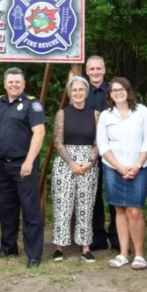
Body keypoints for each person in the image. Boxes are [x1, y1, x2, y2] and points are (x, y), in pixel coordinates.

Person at [0, 68, 46, 268]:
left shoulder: (32, 104)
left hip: (24, 164)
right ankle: (8, 247)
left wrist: (29, 161)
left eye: (17, 82)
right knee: (7, 209)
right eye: (10, 82)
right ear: (5, 84)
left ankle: (34, 254)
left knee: (30, 210)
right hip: (3, 165)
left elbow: (39, 133)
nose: (14, 85)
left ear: (23, 84)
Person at [96, 78, 147, 271]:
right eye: (114, 91)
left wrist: (137, 165)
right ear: (110, 94)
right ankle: (123, 253)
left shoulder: (142, 112)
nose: (118, 93)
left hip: (139, 168)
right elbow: (103, 145)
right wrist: (119, 167)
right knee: (119, 211)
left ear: (128, 91)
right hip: (113, 168)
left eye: (121, 89)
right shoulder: (106, 116)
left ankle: (139, 255)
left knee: (134, 211)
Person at [51, 76, 100, 263]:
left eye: (81, 89)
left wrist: (90, 161)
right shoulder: (62, 114)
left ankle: (85, 246)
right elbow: (57, 141)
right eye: (74, 90)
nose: (77, 93)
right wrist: (71, 162)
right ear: (70, 93)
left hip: (88, 164)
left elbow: (98, 142)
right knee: (62, 204)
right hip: (66, 163)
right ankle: (59, 246)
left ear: (86, 92)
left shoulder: (95, 114)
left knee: (85, 206)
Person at [85, 56, 117, 251]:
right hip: (88, 149)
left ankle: (115, 234)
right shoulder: (81, 91)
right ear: (87, 71)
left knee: (113, 192)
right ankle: (97, 234)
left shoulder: (114, 92)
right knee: (93, 193)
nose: (95, 72)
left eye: (99, 69)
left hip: (113, 149)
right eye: (92, 69)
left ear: (104, 71)